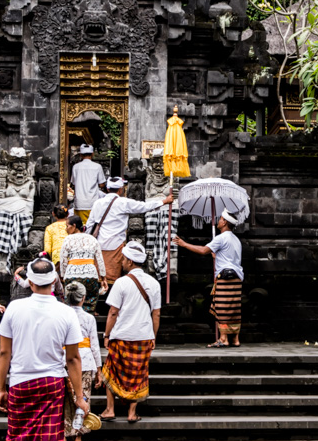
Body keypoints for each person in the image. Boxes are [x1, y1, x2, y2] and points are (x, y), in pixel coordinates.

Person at [0, 256, 89, 441]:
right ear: (55, 280)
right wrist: (80, 397)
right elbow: (73, 359)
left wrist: (0, 388)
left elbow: (5, 352)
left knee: (16, 438)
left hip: (20, 383)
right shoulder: (66, 312)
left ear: (29, 282)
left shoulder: (15, 308)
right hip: (51, 384)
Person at [98, 241, 160, 423]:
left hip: (121, 335)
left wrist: (106, 335)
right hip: (143, 336)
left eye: (124, 259)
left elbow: (113, 312)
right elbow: (156, 314)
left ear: (131, 262)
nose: (122, 261)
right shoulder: (154, 283)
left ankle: (110, 409)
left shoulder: (122, 282)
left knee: (111, 370)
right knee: (138, 374)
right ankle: (132, 413)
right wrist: (153, 336)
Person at [174, 210, 244, 348]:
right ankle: (235, 339)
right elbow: (231, 259)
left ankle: (223, 338)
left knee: (222, 307)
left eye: (221, 219)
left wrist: (184, 244)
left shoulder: (221, 238)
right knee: (234, 308)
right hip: (237, 278)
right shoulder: (236, 240)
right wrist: (217, 257)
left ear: (224, 222)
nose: (218, 220)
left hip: (225, 277)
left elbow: (203, 250)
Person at [85, 177, 173, 283]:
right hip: (116, 244)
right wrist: (164, 201)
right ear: (121, 189)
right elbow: (144, 206)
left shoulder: (97, 203)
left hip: (99, 244)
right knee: (112, 276)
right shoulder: (123, 202)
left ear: (108, 189)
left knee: (98, 275)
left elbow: (90, 225)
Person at [63, 282, 102, 441]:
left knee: (64, 400)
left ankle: (62, 438)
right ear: (83, 298)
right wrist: (99, 369)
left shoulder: (61, 316)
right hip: (85, 360)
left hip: (63, 359)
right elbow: (94, 345)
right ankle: (77, 438)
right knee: (83, 397)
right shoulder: (88, 318)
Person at [59, 215, 107, 314]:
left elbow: (63, 260)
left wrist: (63, 276)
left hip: (72, 275)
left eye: (67, 226)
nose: (66, 229)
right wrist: (103, 278)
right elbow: (100, 260)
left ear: (74, 225)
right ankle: (89, 314)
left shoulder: (68, 239)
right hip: (90, 276)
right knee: (91, 298)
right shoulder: (92, 239)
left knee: (71, 300)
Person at [69, 144, 107, 223]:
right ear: (92, 154)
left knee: (79, 226)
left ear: (81, 155)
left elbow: (73, 183)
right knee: (92, 226)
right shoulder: (97, 167)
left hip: (79, 202)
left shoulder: (76, 167)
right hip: (93, 202)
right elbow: (101, 184)